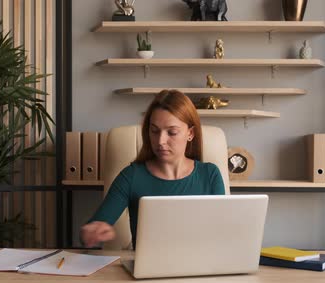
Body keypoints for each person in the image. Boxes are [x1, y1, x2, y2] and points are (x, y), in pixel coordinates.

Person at [80, 89, 225, 248]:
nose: (161, 141)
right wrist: (90, 233)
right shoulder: (132, 176)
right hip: (147, 270)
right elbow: (91, 229)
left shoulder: (210, 175)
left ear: (190, 133)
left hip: (201, 267)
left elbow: (221, 233)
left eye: (172, 132)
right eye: (154, 131)